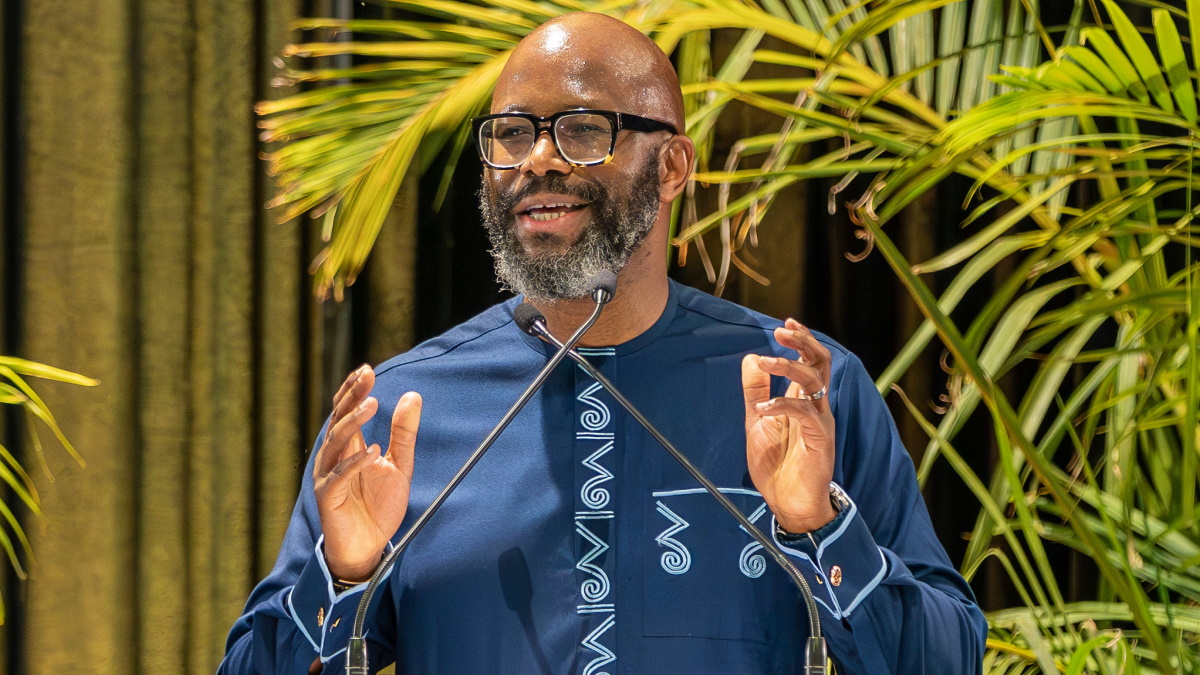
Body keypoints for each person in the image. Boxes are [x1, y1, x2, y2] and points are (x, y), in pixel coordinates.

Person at [221, 12, 987, 674]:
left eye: (583, 129)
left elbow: (948, 658)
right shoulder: (401, 414)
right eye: (511, 133)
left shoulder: (800, 392)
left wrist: (821, 525)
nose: (537, 159)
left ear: (673, 165)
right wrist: (343, 574)